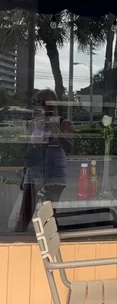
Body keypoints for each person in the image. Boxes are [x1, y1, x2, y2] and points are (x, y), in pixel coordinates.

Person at [14, 89, 73, 232]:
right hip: (34, 170)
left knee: (49, 214)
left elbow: (70, 148)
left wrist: (56, 132)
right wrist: (25, 172)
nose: (45, 108)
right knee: (25, 212)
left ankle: (50, 240)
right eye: (40, 104)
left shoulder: (64, 123)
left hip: (55, 170)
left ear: (55, 105)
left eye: (49, 105)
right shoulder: (32, 124)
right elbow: (29, 148)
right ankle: (18, 238)